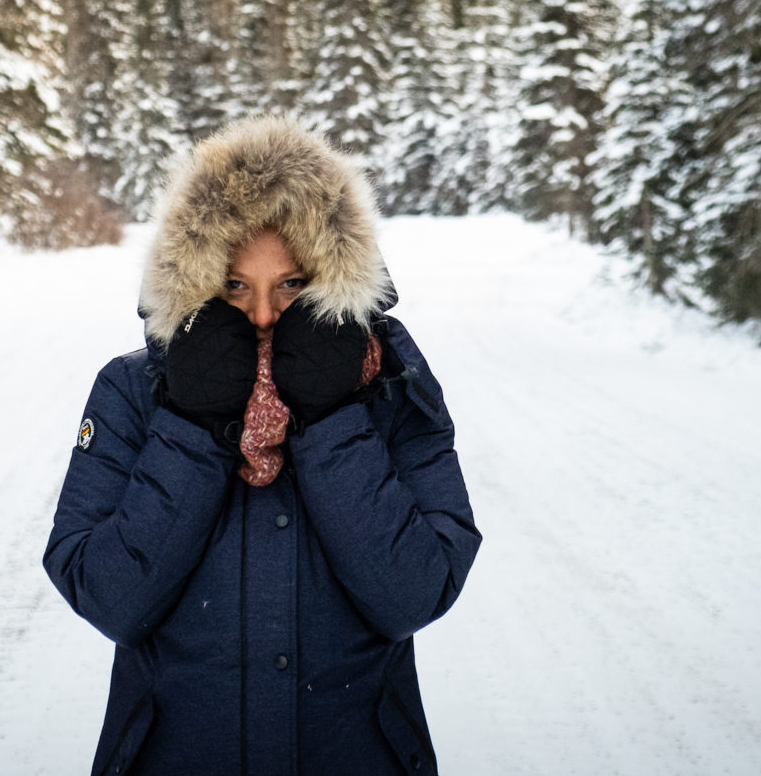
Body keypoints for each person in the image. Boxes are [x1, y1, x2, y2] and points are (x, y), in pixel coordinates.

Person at [44, 116, 481, 776]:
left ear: (336, 278)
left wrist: (334, 418)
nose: (264, 316)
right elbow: (110, 597)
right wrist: (191, 423)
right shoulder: (134, 391)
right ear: (195, 280)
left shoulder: (390, 387)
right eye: (236, 285)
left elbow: (414, 593)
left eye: (292, 284)